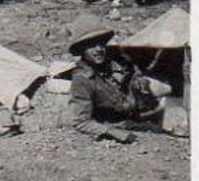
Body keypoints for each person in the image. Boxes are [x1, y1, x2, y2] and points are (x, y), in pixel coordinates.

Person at [66, 14, 162, 143]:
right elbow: (80, 121)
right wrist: (110, 132)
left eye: (101, 44)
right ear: (81, 49)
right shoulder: (82, 79)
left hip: (135, 116)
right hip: (114, 123)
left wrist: (139, 81)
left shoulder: (116, 59)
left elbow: (134, 71)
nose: (99, 49)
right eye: (91, 45)